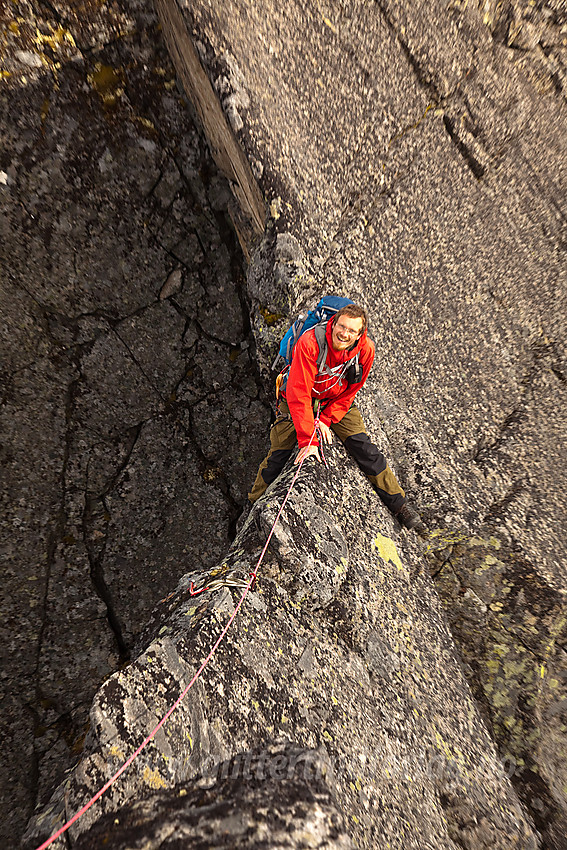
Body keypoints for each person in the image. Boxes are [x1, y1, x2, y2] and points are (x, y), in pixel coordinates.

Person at [248, 303, 422, 530]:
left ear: (361, 333)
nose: (345, 334)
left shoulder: (366, 350)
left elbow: (352, 390)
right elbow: (298, 392)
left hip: (336, 400)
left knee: (363, 447)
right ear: (334, 323)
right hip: (300, 398)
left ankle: (400, 505)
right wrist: (307, 440)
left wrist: (326, 419)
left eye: (352, 330)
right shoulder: (311, 342)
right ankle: (252, 506)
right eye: (342, 326)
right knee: (279, 452)